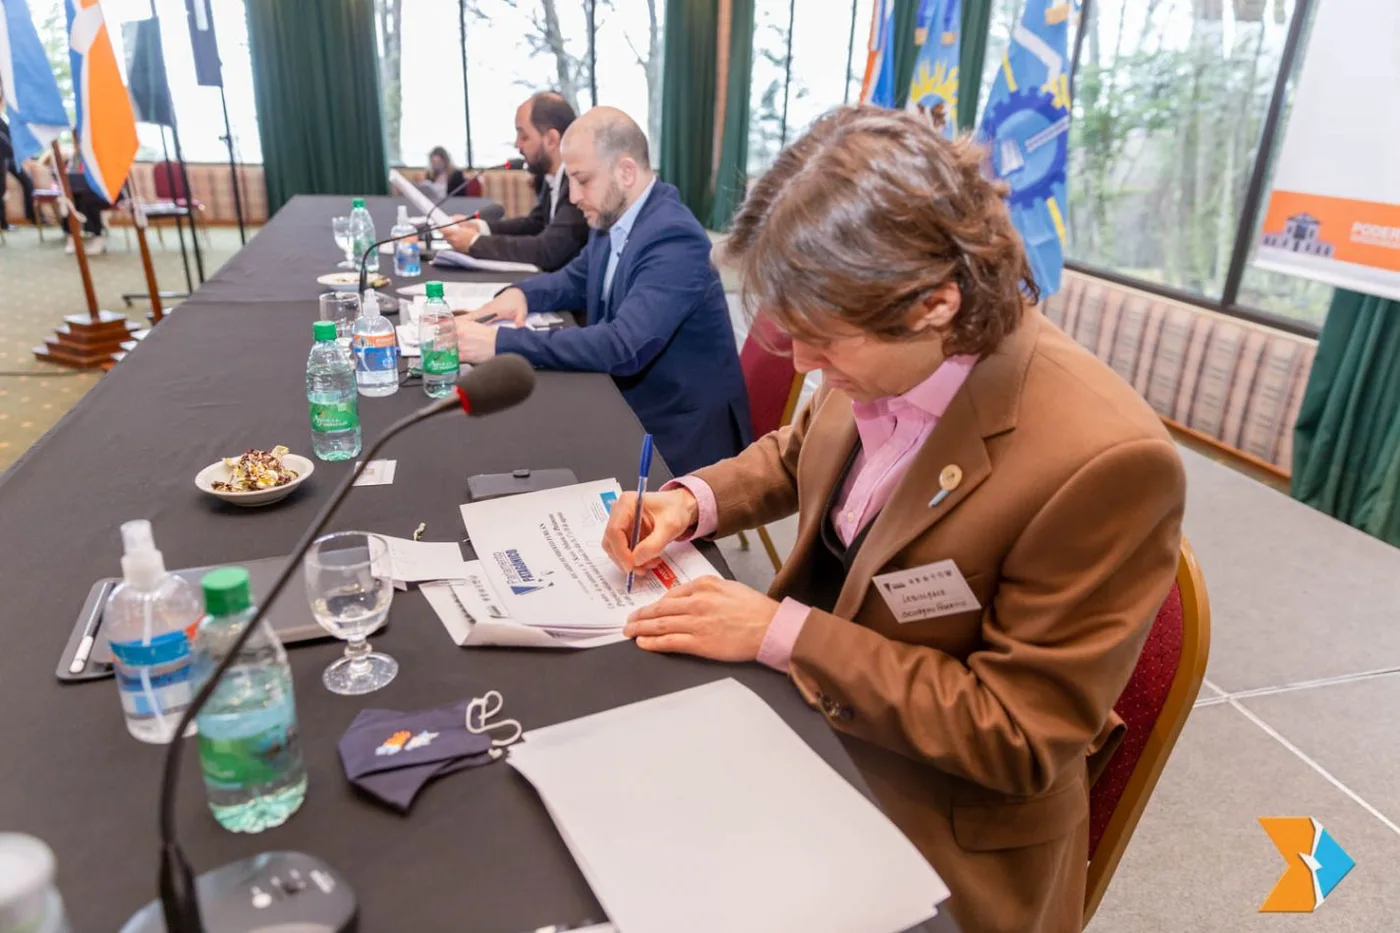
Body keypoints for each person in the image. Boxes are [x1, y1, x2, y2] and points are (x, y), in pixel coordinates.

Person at [599, 107, 1186, 933]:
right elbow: (799, 449)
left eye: (822, 342)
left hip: (942, 830)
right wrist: (690, 501)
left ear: (934, 304)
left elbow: (1018, 733)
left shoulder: (1105, 464)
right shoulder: (878, 348)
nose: (802, 365)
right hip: (821, 731)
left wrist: (783, 631)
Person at [456, 106, 751, 477]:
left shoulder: (675, 239)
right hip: (635, 401)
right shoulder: (614, 215)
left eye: (582, 180)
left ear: (625, 172)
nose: (574, 196)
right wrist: (521, 295)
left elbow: (622, 346)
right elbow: (574, 278)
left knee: (531, 450)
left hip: (679, 432)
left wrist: (502, 344)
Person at [439, 92, 589, 272]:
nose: (517, 145)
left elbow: (547, 250)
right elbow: (535, 225)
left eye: (524, 136)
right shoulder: (552, 178)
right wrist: (479, 227)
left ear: (551, 140)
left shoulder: (579, 185)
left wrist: (474, 242)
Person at [0, 112, 37, 230]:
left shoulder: (5, 116)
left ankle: (32, 216)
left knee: (28, 183)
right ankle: (4, 223)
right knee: (1, 189)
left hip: (10, 157)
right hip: (3, 157)